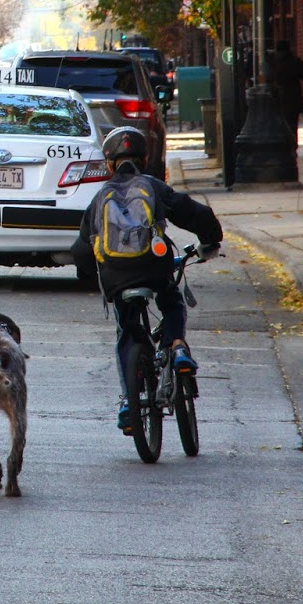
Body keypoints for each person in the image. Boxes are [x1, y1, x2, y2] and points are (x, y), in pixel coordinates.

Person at [70, 125, 224, 434]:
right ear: (145, 157)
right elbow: (199, 214)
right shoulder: (154, 187)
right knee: (172, 302)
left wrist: (89, 273)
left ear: (109, 162)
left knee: (127, 331)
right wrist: (209, 242)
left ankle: (130, 402)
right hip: (154, 269)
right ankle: (178, 347)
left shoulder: (100, 196)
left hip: (117, 277)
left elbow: (82, 250)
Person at [268, 40, 303, 146]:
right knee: (292, 125)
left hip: (277, 98)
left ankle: (283, 145)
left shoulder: (272, 62)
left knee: (279, 124)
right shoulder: (295, 61)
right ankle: (293, 145)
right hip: (293, 98)